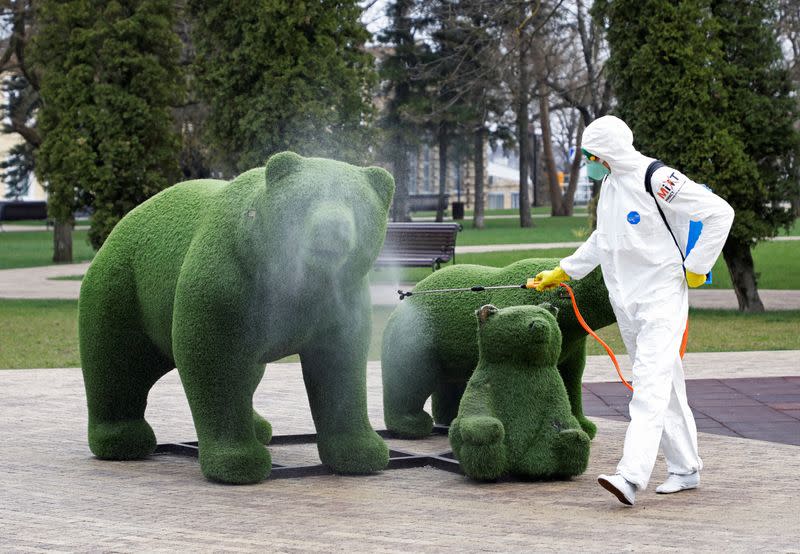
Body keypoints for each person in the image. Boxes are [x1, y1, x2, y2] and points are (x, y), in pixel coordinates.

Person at [533, 115, 734, 506]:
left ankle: (630, 475)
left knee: (648, 386)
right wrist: (563, 270)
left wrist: (697, 266)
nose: (589, 163)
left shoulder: (658, 179)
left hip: (661, 298)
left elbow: (719, 212)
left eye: (591, 155)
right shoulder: (610, 185)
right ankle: (686, 468)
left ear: (608, 153)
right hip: (627, 302)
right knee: (666, 386)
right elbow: (602, 239)